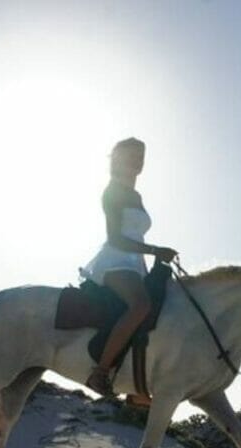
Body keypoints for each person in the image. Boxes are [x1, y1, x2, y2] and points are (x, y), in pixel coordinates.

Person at [80, 137, 177, 397]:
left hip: (135, 263)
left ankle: (138, 378)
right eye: (132, 155)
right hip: (115, 259)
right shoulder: (112, 191)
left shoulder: (136, 195)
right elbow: (116, 238)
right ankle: (100, 372)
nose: (137, 161)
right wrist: (155, 250)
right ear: (117, 159)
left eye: (141, 156)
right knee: (140, 305)